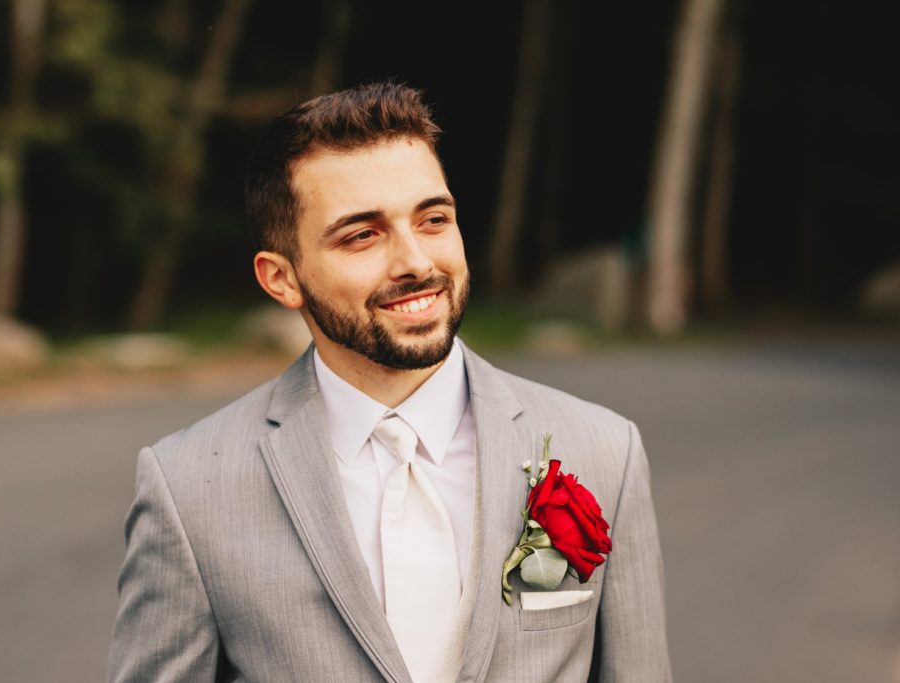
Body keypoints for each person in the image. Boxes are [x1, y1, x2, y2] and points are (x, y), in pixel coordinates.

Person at [107, 81, 672, 683]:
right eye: (361, 235)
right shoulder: (190, 488)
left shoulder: (605, 451)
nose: (416, 263)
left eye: (433, 219)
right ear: (282, 279)